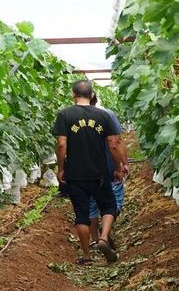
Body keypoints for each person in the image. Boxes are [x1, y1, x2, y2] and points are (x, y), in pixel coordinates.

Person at [52, 80, 127, 265]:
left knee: (82, 215)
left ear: (73, 95)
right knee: (108, 206)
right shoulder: (103, 115)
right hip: (100, 173)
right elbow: (113, 144)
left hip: (75, 174)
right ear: (92, 95)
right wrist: (118, 167)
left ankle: (87, 256)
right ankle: (103, 237)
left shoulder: (65, 115)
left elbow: (61, 144)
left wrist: (60, 169)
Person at [88, 94, 129, 249]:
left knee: (91, 204)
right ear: (95, 99)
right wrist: (122, 166)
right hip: (108, 170)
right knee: (113, 203)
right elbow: (115, 143)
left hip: (85, 171)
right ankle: (104, 234)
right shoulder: (107, 115)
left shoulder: (72, 116)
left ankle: (94, 239)